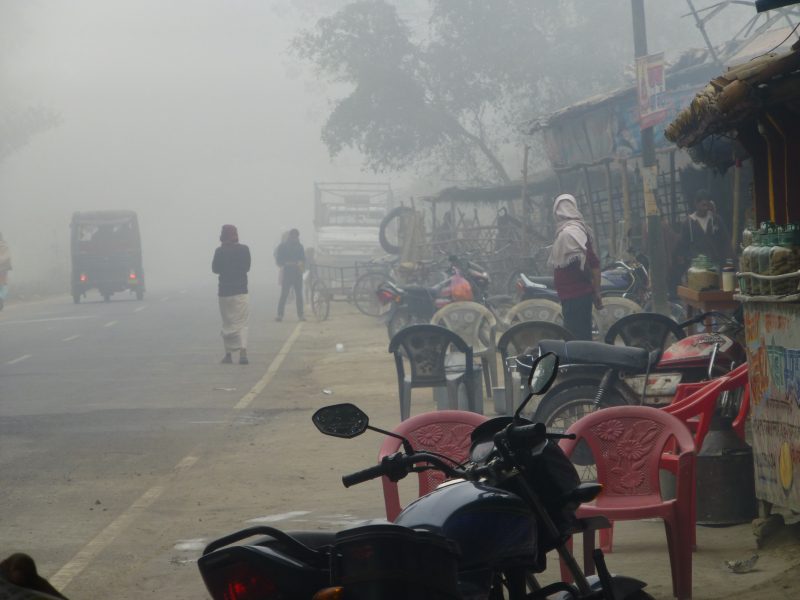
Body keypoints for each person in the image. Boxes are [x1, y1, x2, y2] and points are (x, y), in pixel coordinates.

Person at [548, 194, 602, 340]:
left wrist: (593, 287)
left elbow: (589, 263)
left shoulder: (569, 233)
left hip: (576, 295)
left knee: (576, 338)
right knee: (580, 335)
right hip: (573, 295)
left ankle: (582, 362)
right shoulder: (572, 230)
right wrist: (595, 290)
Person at [212, 225, 251, 365]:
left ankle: (228, 354)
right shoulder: (244, 249)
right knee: (242, 322)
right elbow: (247, 267)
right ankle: (243, 353)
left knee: (227, 321)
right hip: (241, 291)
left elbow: (215, 269)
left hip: (224, 292)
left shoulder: (219, 251)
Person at [677, 189, 732, 273]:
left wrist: (728, 260)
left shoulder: (716, 220)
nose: (704, 204)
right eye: (701, 201)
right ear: (696, 203)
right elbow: (682, 246)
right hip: (696, 267)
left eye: (706, 201)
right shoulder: (688, 223)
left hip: (715, 265)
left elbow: (725, 241)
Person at [274, 228, 305, 322]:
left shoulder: (300, 247)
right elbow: (279, 260)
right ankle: (280, 314)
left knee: (299, 295)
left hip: (297, 274)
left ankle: (301, 315)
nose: (294, 237)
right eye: (293, 235)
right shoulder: (282, 246)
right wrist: (286, 263)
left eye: (296, 235)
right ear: (290, 236)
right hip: (287, 273)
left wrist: (301, 265)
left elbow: (303, 259)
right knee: (284, 294)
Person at [0, 232, 11, 310]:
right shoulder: (4, 245)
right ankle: (1, 298)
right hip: (4, 267)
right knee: (4, 284)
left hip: (3, 266)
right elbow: (7, 256)